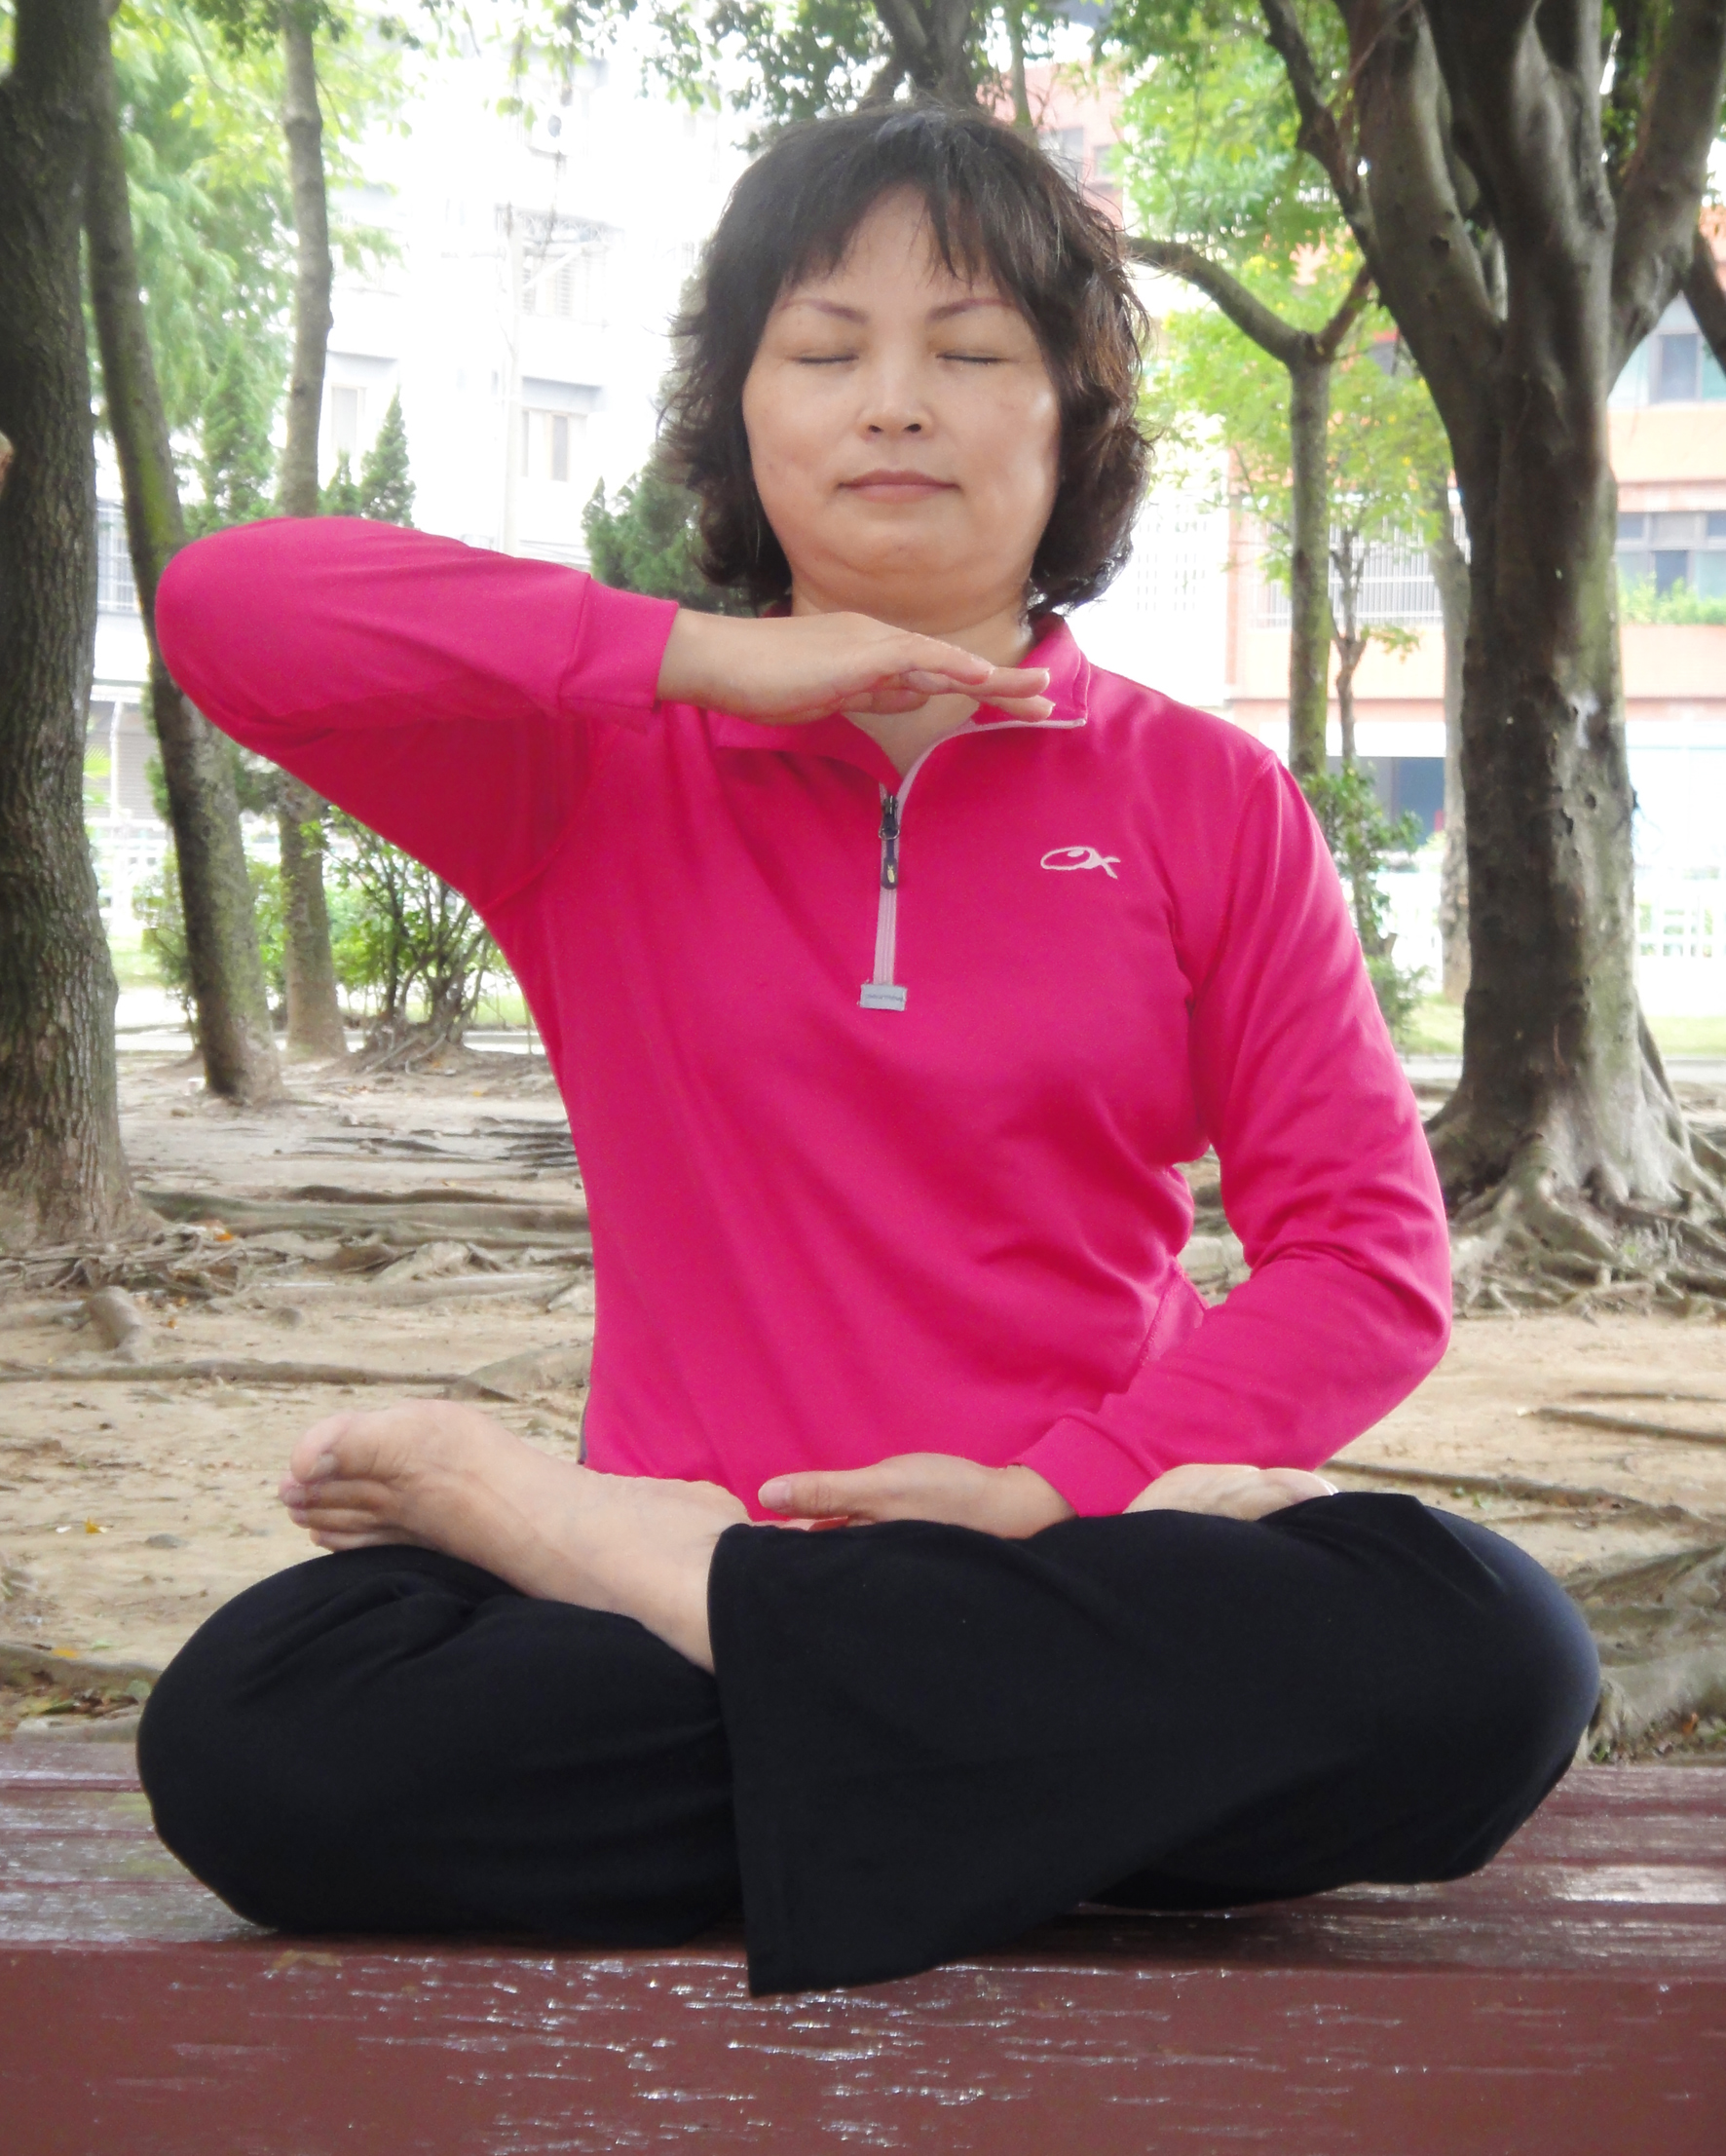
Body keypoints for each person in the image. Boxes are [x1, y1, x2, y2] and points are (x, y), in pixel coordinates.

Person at [137, 103, 1598, 1997]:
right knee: (259, 1726)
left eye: (970, 351)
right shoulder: (598, 768)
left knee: (1495, 1657)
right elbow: (224, 608)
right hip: (761, 1596)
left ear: (1071, 416)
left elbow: (1366, 1263)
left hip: (1056, 1555)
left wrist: (1064, 1488)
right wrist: (703, 660)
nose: (894, 403)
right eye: (826, 349)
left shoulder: (1205, 799)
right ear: (742, 409)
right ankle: (1031, 1792)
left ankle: (671, 1593)